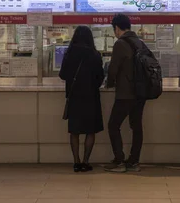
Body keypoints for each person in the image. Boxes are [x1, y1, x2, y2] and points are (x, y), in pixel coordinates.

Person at [59, 26, 105, 172]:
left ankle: (76, 162)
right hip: (91, 97)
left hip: (74, 98)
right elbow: (100, 77)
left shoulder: (69, 54)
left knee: (75, 131)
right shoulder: (95, 54)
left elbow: (62, 75)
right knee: (90, 131)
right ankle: (86, 161)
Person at [105, 14, 146, 173]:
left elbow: (113, 69)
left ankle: (119, 160)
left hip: (126, 93)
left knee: (113, 125)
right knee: (136, 126)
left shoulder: (120, 44)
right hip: (140, 93)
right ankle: (134, 161)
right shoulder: (140, 43)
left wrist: (108, 84)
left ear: (116, 28)